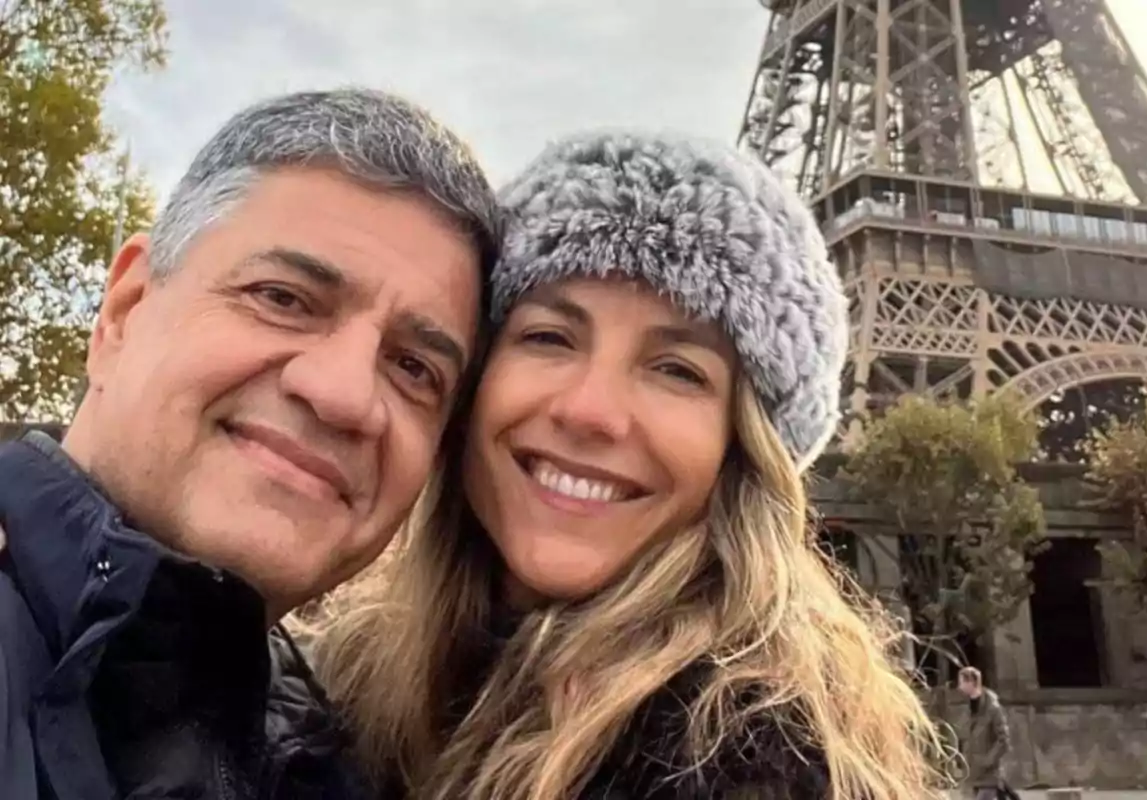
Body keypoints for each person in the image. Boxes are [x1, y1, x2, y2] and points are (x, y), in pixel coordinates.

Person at [313, 132, 949, 799]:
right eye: (549, 337)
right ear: (474, 380)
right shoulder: (338, 688)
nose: (592, 412)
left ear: (741, 451)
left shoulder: (752, 763)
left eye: (676, 370)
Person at [0, 88, 499, 799]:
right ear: (123, 312)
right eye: (283, 298)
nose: (345, 395)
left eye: (415, 369)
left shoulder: (359, 763)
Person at [957, 667, 1015, 800]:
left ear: (971, 682)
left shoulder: (993, 708)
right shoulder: (967, 708)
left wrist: (988, 760)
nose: (959, 687)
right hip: (972, 772)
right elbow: (966, 736)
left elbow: (1004, 739)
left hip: (988, 774)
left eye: (962, 682)